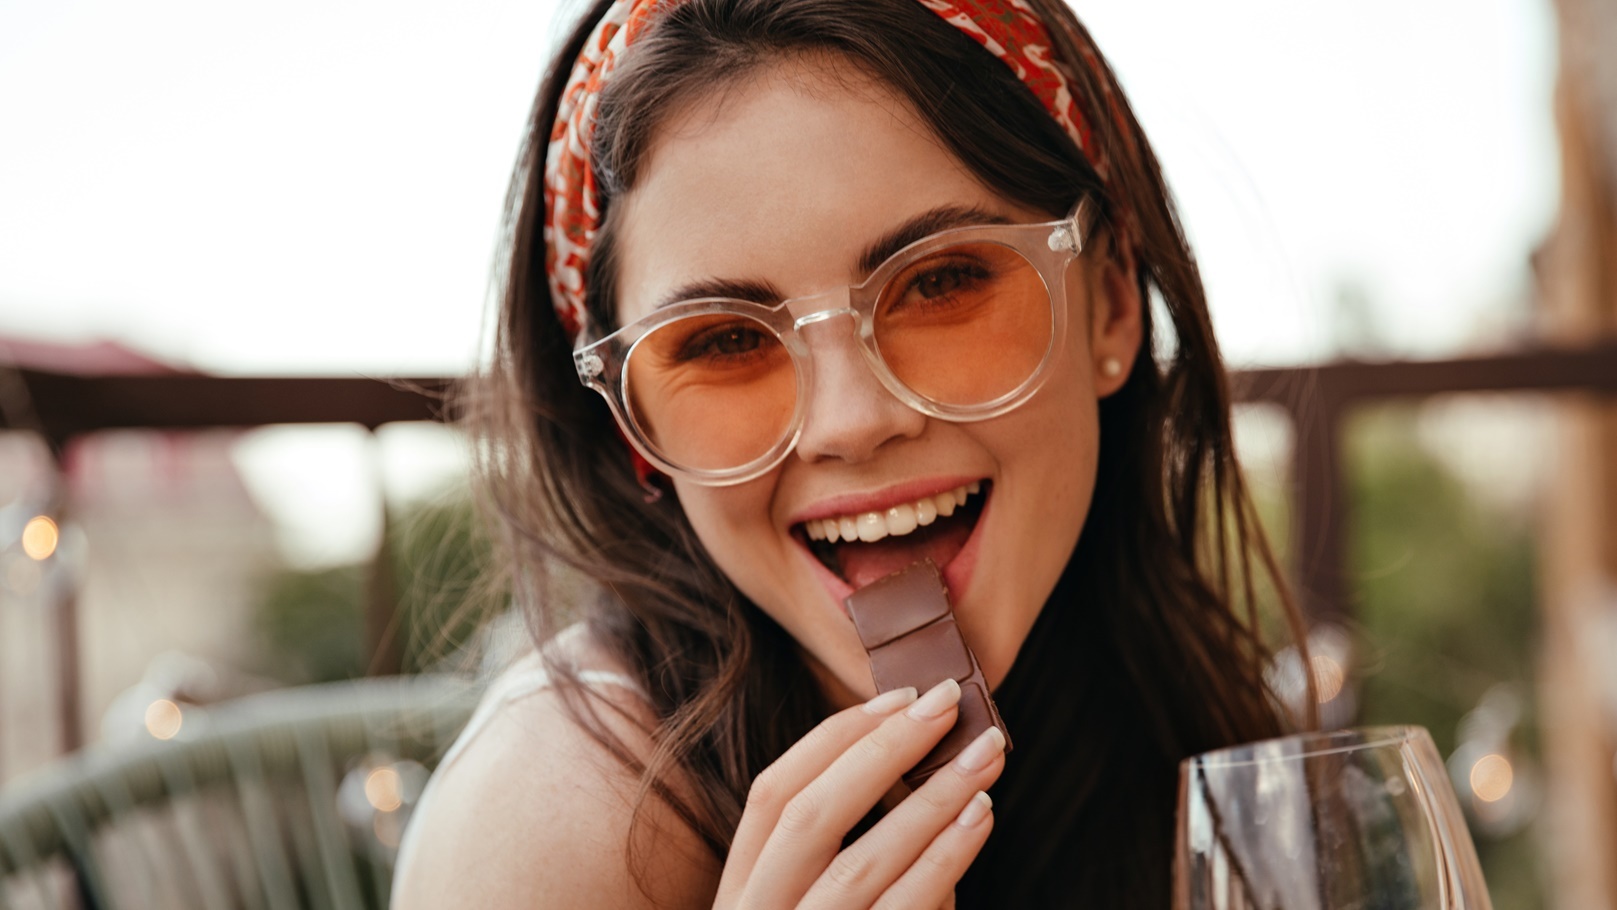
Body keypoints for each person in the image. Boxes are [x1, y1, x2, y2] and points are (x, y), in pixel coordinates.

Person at [393, 0, 1305, 906]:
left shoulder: (1166, 717)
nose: (851, 421)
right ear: (638, 431)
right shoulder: (566, 825)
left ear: (1109, 306)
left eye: (941, 282)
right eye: (721, 342)